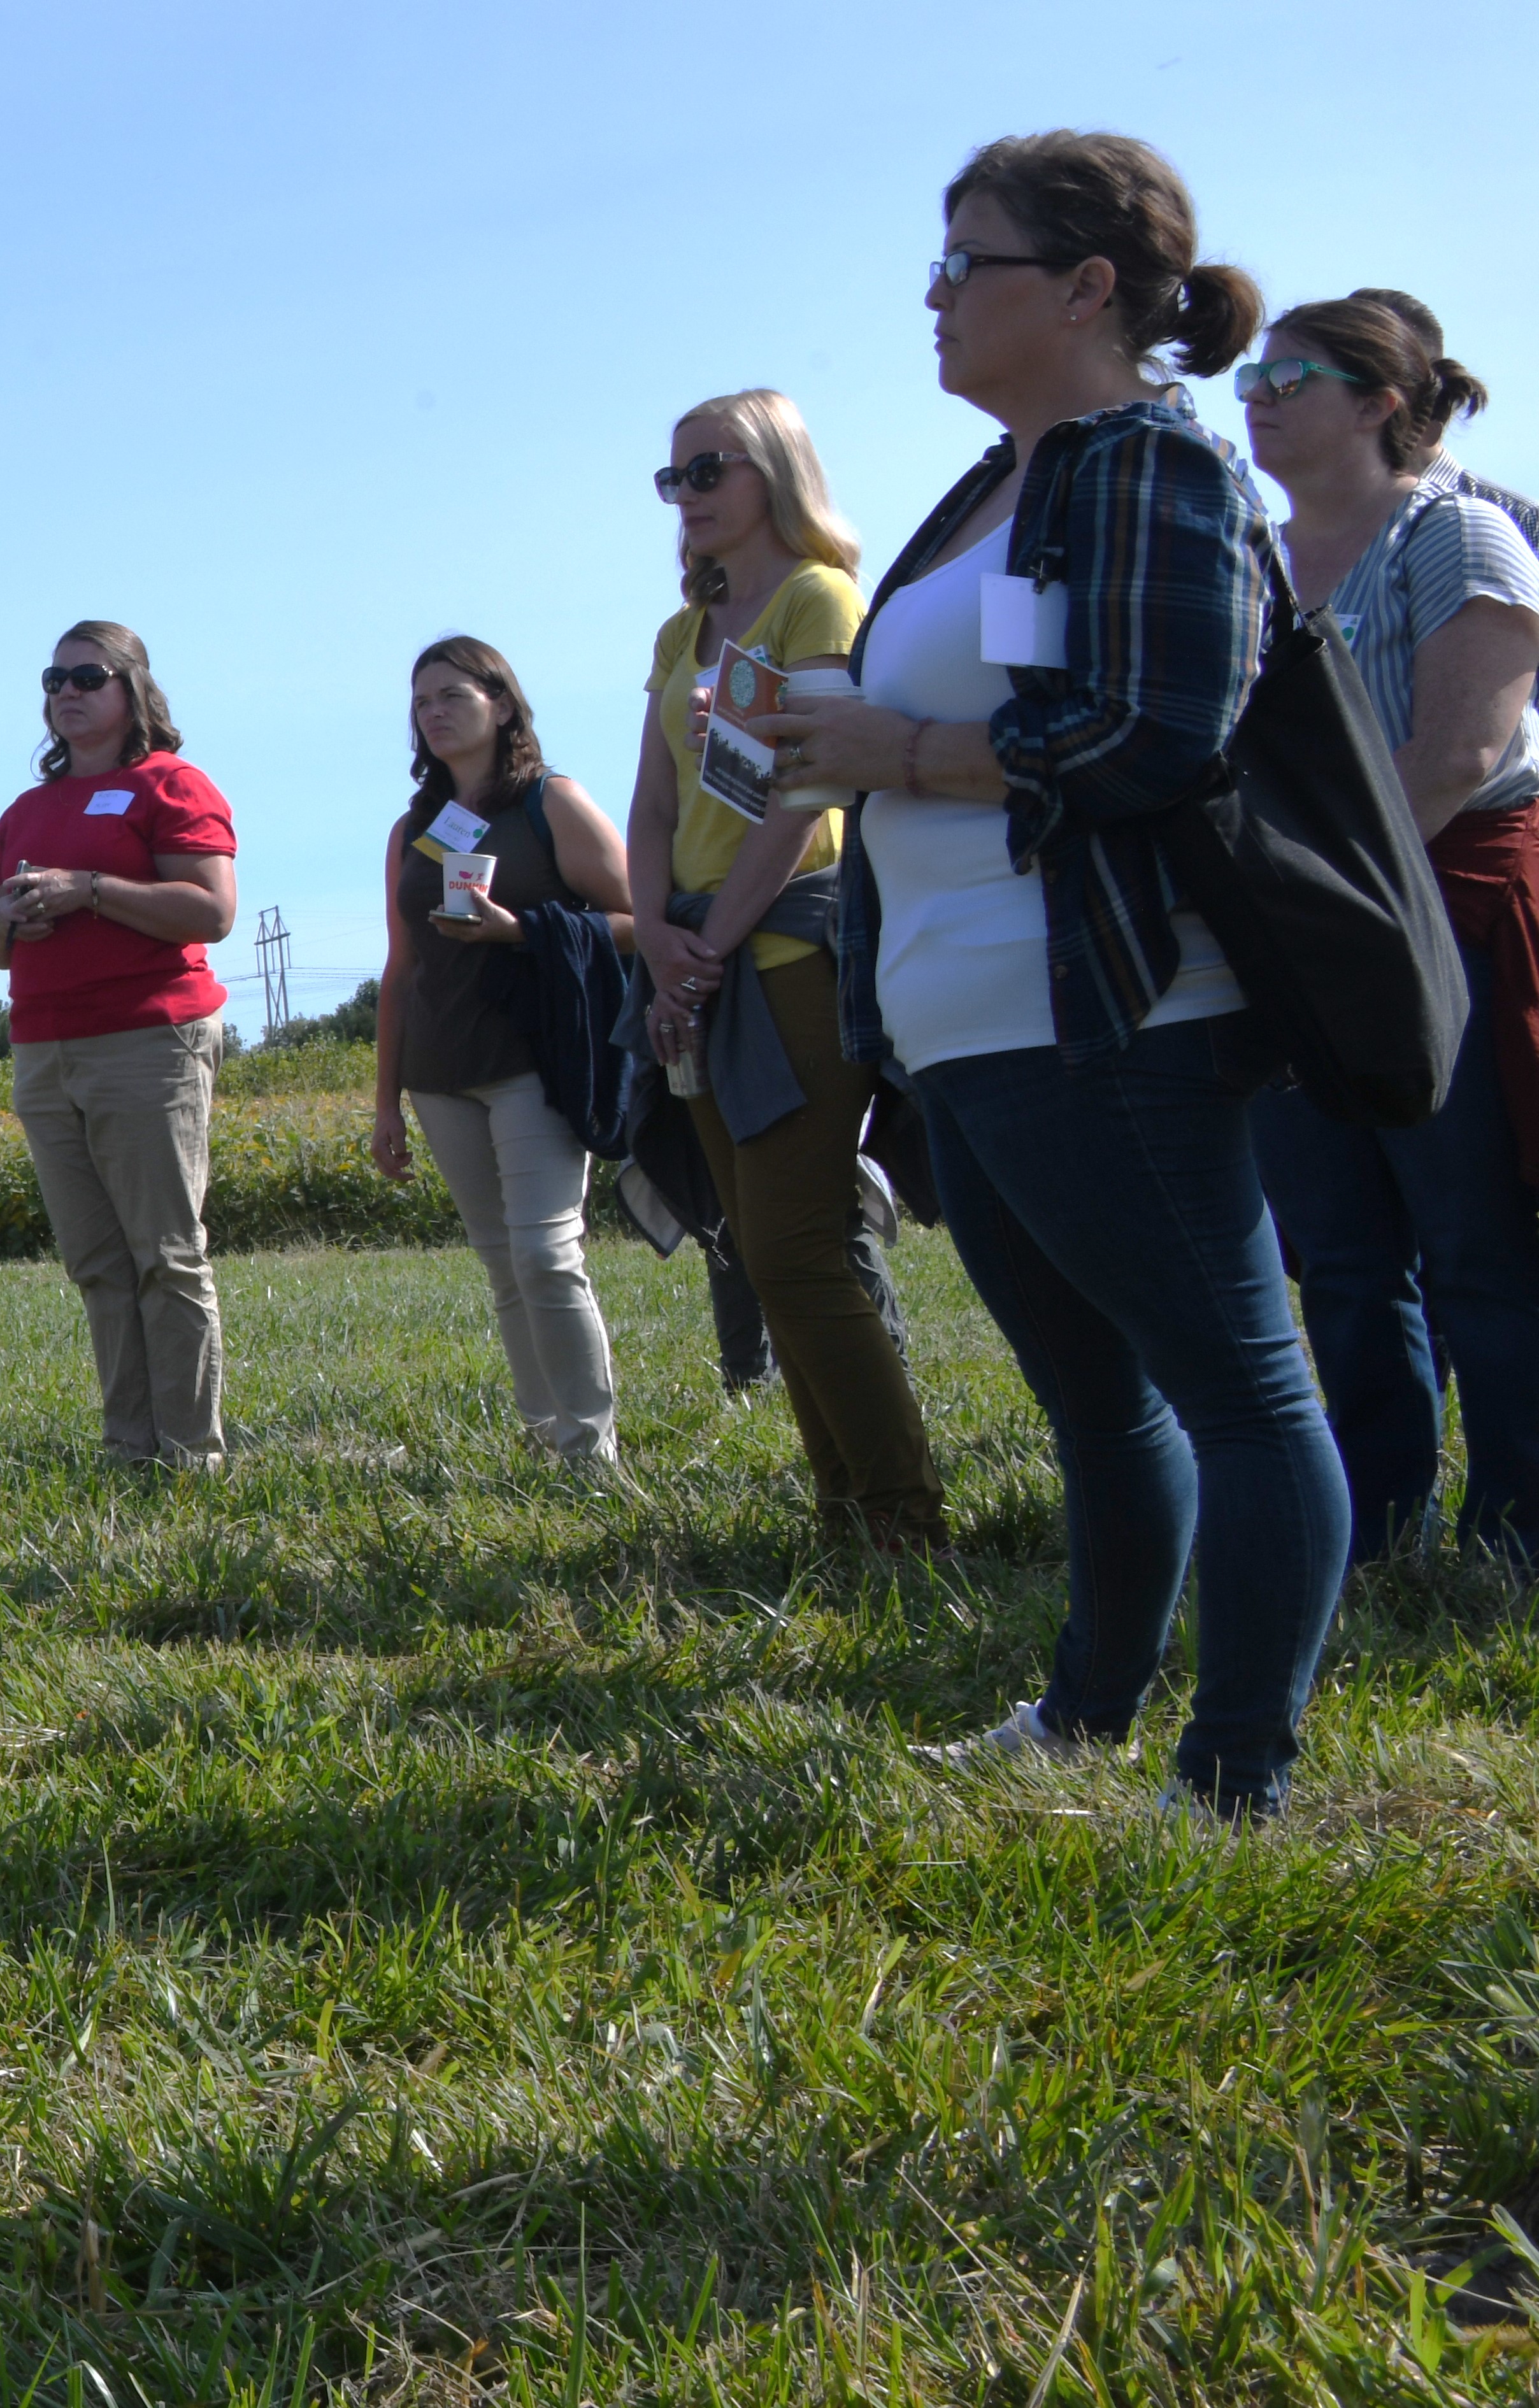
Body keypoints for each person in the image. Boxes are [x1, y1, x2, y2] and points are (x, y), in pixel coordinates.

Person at [754, 131, 1340, 1820]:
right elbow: (969, 727)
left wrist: (903, 746)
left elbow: (1159, 734)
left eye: (967, 263)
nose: (932, 298)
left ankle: (1238, 1770)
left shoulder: (1156, 466)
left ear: (1087, 287)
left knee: (1239, 1389)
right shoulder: (986, 488)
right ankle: (1085, 1712)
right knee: (1096, 1399)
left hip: (1109, 1011)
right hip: (965, 1019)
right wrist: (838, 750)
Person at [1236, 289, 1539, 1571]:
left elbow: (1461, 750)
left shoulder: (1458, 536)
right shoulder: (1243, 558)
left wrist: (1328, 896)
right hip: (1300, 932)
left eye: (1289, 377)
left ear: (1378, 405)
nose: (1255, 395)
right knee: (1347, 1254)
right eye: (1249, 376)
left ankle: (1519, 1524)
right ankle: (1378, 1521)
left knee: (1471, 1234)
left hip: (1437, 913)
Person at [629, 390, 948, 1548]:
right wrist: (659, 933)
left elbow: (811, 791)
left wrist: (708, 948)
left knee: (799, 1243)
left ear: (774, 470)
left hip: (791, 952)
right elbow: (654, 799)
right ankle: (845, 1511)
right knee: (760, 1252)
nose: (689, 495)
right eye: (674, 479)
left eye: (708, 469)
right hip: (698, 964)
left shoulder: (818, 599)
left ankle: (902, 1515)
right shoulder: (684, 633)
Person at [0, 622, 240, 1467]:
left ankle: (191, 1450)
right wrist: (6, 920)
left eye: (88, 676)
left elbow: (212, 911)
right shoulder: (24, 812)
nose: (67, 693)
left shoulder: (171, 784)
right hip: (47, 1046)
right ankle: (130, 1444)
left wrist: (89, 889)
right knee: (96, 1260)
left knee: (163, 1251)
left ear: (134, 691)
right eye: (54, 679)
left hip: (149, 1038)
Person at [368, 636, 633, 1471]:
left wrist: (520, 932)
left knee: (546, 1255)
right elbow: (401, 970)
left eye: (452, 695)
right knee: (504, 1267)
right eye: (421, 702)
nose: (434, 713)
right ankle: (546, 1438)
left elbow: (641, 920)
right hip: (442, 1071)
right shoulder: (414, 828)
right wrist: (384, 1104)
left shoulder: (550, 802)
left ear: (504, 704)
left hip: (535, 1059)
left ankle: (592, 1453)